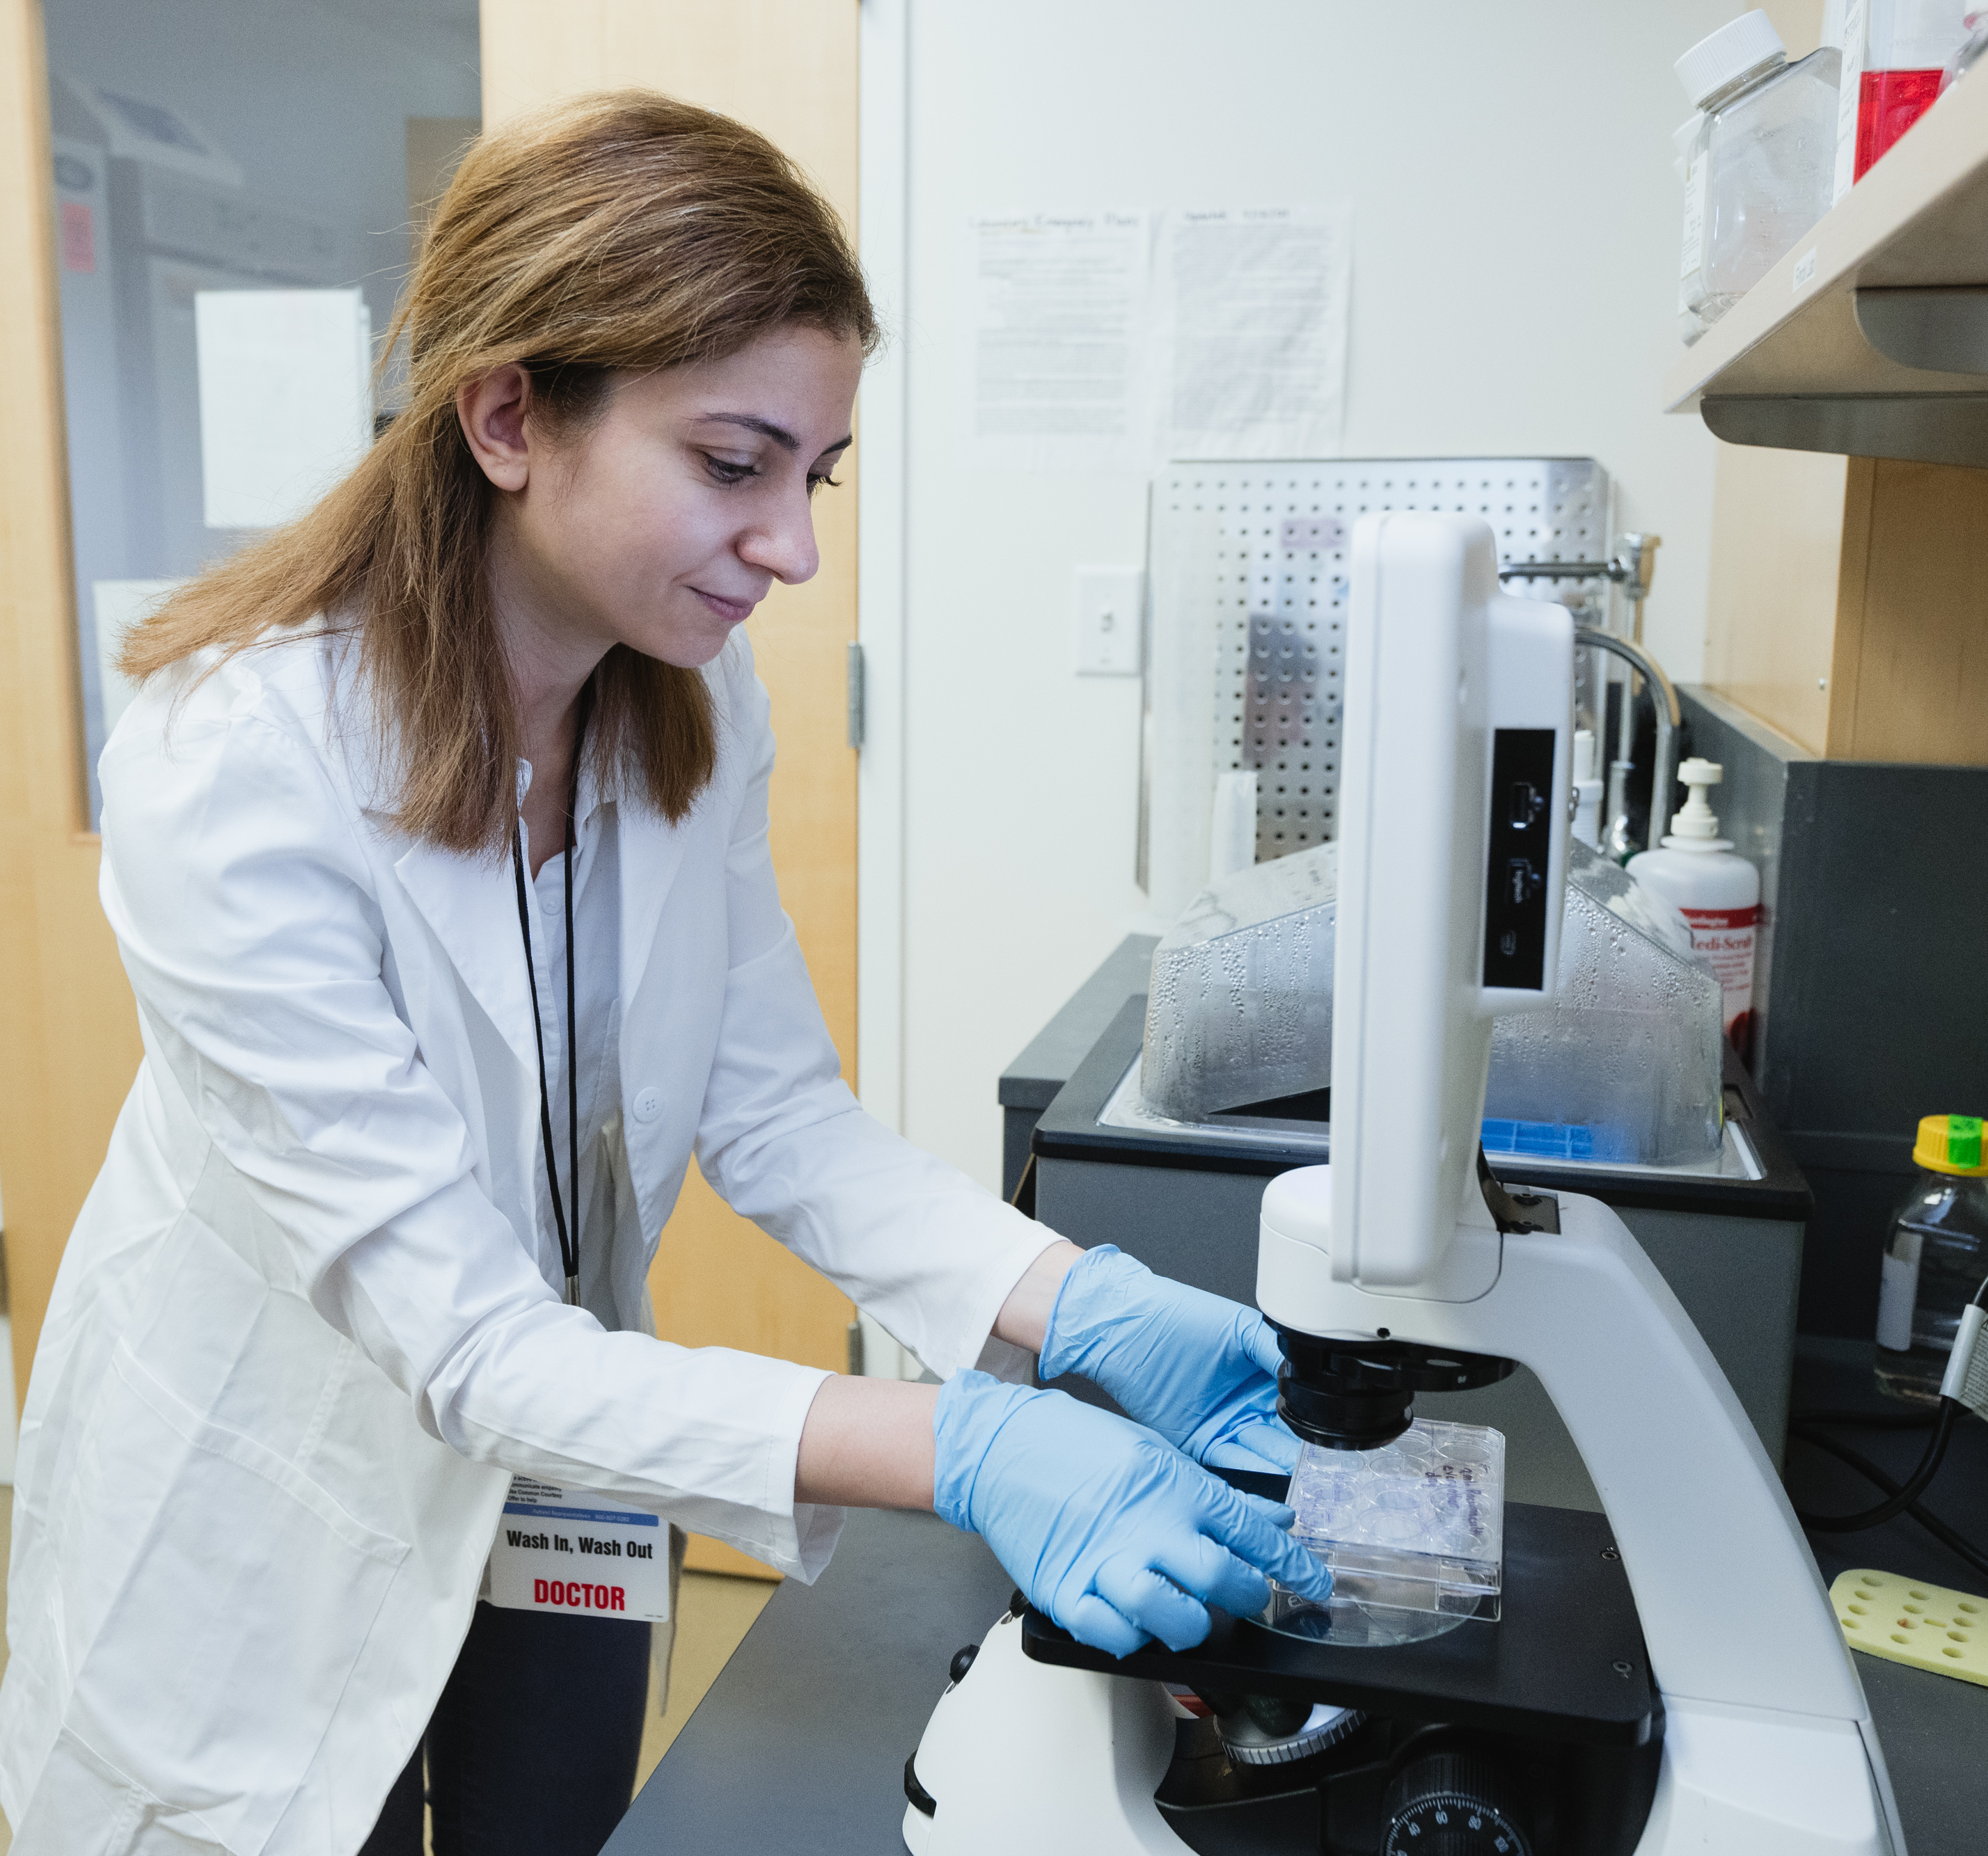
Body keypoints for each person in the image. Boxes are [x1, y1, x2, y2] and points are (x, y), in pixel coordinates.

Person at [0, 92, 1325, 1856]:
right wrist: (964, 1447)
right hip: (267, 1513)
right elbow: (464, 1338)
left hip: (567, 1480)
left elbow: (771, 1112)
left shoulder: (686, 697)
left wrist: (1068, 1302)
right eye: (733, 461)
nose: (792, 544)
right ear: (505, 416)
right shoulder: (234, 759)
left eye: (814, 474)